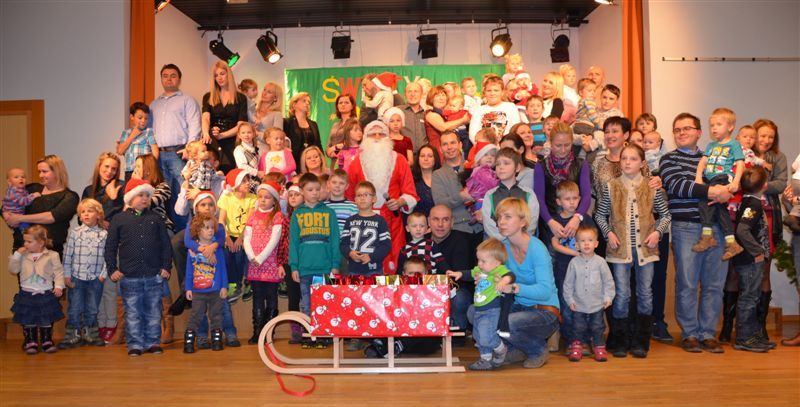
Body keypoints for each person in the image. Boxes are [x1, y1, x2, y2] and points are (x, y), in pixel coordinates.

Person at [660, 112, 733, 354]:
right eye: (677, 129)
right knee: (687, 283)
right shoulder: (669, 159)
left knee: (714, 284)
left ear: (699, 133)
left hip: (717, 228)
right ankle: (690, 333)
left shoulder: (714, 156)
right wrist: (714, 191)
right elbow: (679, 186)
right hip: (686, 228)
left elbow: (730, 181)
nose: (681, 132)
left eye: (687, 128)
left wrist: (727, 190)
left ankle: (708, 333)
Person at [595, 144, 671, 358]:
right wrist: (608, 233)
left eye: (633, 159)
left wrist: (657, 233)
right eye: (624, 158)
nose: (628, 162)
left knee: (645, 294)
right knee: (622, 294)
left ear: (642, 163)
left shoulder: (652, 186)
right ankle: (620, 339)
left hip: (646, 249)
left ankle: (641, 341)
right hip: (620, 250)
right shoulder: (611, 186)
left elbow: (666, 215)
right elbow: (600, 215)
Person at [474, 197, 560, 369]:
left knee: (507, 322)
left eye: (507, 217)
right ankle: (517, 349)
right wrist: (484, 278)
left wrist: (514, 288)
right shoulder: (503, 247)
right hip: (518, 307)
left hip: (544, 310)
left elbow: (544, 292)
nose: (501, 222)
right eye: (499, 217)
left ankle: (538, 350)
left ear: (523, 222)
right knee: (477, 313)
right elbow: (495, 274)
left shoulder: (538, 249)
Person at [105, 178, 172, 356]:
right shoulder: (119, 219)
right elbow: (110, 246)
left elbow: (166, 245)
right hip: (129, 277)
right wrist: (112, 269)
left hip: (154, 275)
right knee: (133, 313)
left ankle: (153, 342)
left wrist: (166, 266)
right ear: (130, 197)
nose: (144, 198)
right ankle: (135, 344)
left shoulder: (156, 219)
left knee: (153, 312)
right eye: (140, 195)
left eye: (147, 195)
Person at [346, 120, 419, 274]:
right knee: (365, 268)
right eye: (373, 134)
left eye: (382, 134)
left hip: (392, 221)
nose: (377, 137)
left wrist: (400, 201)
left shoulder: (400, 159)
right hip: (364, 223)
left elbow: (411, 192)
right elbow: (350, 195)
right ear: (365, 138)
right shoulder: (355, 163)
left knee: (395, 260)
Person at [289, 173, 340, 348]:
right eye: (310, 190)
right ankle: (309, 335)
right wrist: (294, 266)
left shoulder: (329, 212)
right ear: (302, 191)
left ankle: (323, 335)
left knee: (323, 303)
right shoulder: (297, 214)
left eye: (317, 189)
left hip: (324, 269)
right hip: (305, 269)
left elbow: (335, 240)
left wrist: (335, 264)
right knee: (306, 304)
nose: (315, 193)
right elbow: (293, 242)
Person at [150, 63, 201, 232]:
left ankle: (185, 236)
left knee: (183, 195)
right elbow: (149, 131)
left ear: (179, 79)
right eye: (165, 76)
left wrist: (190, 149)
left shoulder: (187, 100)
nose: (169, 79)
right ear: (161, 79)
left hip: (179, 154)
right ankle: (169, 236)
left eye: (173, 75)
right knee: (163, 197)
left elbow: (195, 125)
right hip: (158, 156)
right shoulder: (154, 104)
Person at [751, 118, 788, 348]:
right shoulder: (744, 154)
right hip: (746, 217)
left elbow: (781, 184)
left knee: (764, 271)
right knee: (741, 272)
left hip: (769, 216)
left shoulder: (778, 157)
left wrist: (756, 184)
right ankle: (737, 326)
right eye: (762, 135)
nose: (766, 140)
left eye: (771, 137)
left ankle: (760, 325)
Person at [692, 108, 745, 259]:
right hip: (710, 180)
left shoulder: (734, 144)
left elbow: (740, 164)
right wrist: (698, 178)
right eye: (712, 125)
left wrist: (736, 181)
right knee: (719, 209)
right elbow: (702, 163)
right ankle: (731, 242)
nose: (714, 128)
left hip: (723, 178)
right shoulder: (711, 146)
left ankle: (707, 237)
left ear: (730, 127)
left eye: (718, 124)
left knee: (704, 202)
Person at [730, 167, 772, 352]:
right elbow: (742, 230)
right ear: (764, 185)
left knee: (753, 297)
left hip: (749, 259)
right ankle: (744, 338)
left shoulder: (748, 201)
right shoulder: (753, 205)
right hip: (750, 260)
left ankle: (753, 336)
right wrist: (757, 252)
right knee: (749, 298)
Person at [7, 155, 79, 257]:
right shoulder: (31, 188)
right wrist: (10, 218)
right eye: (39, 171)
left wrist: (20, 218)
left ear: (57, 172)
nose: (40, 175)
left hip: (49, 253)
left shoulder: (70, 197)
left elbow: (51, 216)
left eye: (44, 171)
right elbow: (8, 205)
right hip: (22, 249)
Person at [59, 198, 107, 349]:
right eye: (83, 212)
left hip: (95, 278)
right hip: (76, 277)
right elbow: (68, 255)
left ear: (98, 215)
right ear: (79, 216)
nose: (86, 214)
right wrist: (66, 275)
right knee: (75, 307)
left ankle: (90, 334)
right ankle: (72, 335)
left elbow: (108, 257)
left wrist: (103, 274)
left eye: (90, 211)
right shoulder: (75, 233)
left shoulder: (104, 234)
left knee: (92, 307)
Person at [534, 123, 592, 248]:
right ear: (550, 143)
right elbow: (539, 198)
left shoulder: (581, 164)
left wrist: (577, 218)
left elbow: (586, 196)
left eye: (567, 145)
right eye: (558, 145)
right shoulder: (541, 166)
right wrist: (550, 221)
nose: (563, 150)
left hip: (575, 222)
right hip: (549, 223)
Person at [9, 225, 65, 354]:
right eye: (25, 241)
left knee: (46, 318)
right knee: (29, 318)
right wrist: (17, 255)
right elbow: (13, 270)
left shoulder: (52, 255)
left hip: (45, 293)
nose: (25, 244)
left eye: (29, 241)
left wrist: (58, 286)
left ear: (41, 242)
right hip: (27, 294)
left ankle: (46, 340)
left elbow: (58, 272)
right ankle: (30, 340)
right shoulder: (23, 255)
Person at [562, 225, 614, 362]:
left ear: (596, 244)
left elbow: (608, 282)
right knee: (578, 327)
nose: (586, 244)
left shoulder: (601, 262)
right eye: (582, 241)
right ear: (577, 245)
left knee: (597, 327)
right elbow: (568, 284)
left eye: (590, 240)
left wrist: (608, 297)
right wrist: (570, 300)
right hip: (578, 304)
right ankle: (577, 347)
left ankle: (599, 347)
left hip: (597, 304)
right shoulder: (573, 263)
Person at [242, 182, 286, 345]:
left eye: (267, 197)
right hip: (254, 263)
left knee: (272, 298)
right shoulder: (252, 215)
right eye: (260, 197)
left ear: (274, 200)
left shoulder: (277, 216)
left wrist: (260, 258)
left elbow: (274, 240)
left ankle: (269, 333)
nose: (262, 200)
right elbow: (247, 237)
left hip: (270, 263)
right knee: (257, 298)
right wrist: (251, 256)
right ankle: (257, 332)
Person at [463, 238, 516, 371]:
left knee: (486, 336)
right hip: (479, 309)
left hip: (491, 310)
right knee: (478, 335)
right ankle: (485, 359)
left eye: (483, 261)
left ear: (497, 263)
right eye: (478, 260)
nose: (479, 264)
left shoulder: (498, 271)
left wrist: (503, 281)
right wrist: (459, 273)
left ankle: (501, 349)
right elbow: (470, 273)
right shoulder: (481, 270)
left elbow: (511, 275)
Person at [183, 213, 228, 353]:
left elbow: (222, 269)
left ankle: (216, 340)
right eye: (206, 228)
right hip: (198, 291)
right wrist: (188, 288)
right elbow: (189, 271)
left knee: (216, 315)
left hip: (215, 290)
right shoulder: (193, 251)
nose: (210, 230)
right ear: (198, 230)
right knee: (195, 316)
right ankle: (189, 342)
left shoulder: (217, 250)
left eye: (212, 227)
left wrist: (224, 286)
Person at [429, 205, 475, 336]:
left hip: (457, 288)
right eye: (435, 219)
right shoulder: (420, 240)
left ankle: (458, 334)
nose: (440, 224)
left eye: (445, 219)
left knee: (459, 297)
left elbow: (459, 278)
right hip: (427, 289)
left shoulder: (462, 240)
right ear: (428, 221)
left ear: (452, 222)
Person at [432, 131, 483, 248]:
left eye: (453, 143)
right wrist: (461, 197)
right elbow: (440, 203)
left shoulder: (474, 166)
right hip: (456, 230)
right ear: (440, 149)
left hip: (481, 227)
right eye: (445, 144)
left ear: (460, 145)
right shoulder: (437, 175)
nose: (449, 147)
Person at [480, 147, 539, 240]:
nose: (501, 167)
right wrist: (504, 241)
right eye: (498, 164)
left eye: (506, 163)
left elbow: (531, 222)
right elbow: (489, 225)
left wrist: (518, 239)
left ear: (517, 167)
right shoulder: (489, 195)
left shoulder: (528, 194)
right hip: (497, 245)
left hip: (522, 244)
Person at [202, 61, 249, 173]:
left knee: (230, 172)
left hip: (232, 140)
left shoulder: (240, 98)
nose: (219, 78)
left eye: (222, 74)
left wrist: (222, 135)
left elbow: (241, 125)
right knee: (210, 173)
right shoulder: (208, 97)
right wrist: (206, 133)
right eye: (216, 75)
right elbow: (205, 118)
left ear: (229, 74)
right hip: (213, 140)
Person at [218, 169, 256, 303]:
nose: (248, 183)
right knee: (226, 254)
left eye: (248, 180)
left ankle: (240, 282)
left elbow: (250, 221)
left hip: (246, 234)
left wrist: (241, 237)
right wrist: (226, 237)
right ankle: (232, 283)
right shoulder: (226, 197)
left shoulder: (253, 198)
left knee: (240, 254)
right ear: (236, 183)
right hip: (229, 234)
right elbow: (221, 220)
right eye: (243, 181)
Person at [340, 181, 392, 276]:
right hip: (353, 270)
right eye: (359, 195)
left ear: (374, 199)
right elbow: (343, 244)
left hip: (375, 269)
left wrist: (371, 257)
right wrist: (350, 253)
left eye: (366, 195)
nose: (362, 198)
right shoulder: (349, 221)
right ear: (355, 199)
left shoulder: (380, 221)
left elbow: (386, 245)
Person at [469, 75, 520, 144]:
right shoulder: (479, 110)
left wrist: (503, 145)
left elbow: (514, 129)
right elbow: (473, 134)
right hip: (484, 148)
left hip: (506, 146)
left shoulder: (511, 107)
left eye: (496, 90)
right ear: (484, 92)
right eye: (489, 90)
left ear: (502, 92)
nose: (492, 93)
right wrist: (485, 146)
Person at [117, 102, 159, 180]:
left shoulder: (149, 132)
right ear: (132, 117)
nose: (143, 121)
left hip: (144, 170)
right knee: (130, 187)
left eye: (146, 118)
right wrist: (132, 136)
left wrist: (150, 166)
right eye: (140, 118)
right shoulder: (126, 133)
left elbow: (155, 152)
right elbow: (120, 151)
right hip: (129, 170)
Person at [425, 85, 471, 153]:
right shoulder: (431, 114)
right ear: (431, 98)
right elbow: (443, 127)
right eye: (437, 95)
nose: (441, 98)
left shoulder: (450, 112)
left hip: (452, 149)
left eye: (443, 95)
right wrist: (463, 120)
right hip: (438, 150)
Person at [284, 92, 321, 166]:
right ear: (294, 105)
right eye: (304, 101)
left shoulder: (314, 124)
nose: (307, 103)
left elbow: (318, 145)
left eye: (309, 102)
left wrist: (322, 163)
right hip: (294, 162)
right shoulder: (286, 122)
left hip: (312, 163)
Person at [3, 167, 40, 232]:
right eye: (16, 177)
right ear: (9, 182)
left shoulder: (21, 190)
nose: (21, 178)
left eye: (23, 177)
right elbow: (23, 202)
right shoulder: (13, 192)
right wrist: (33, 196)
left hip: (17, 215)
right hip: (13, 215)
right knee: (27, 229)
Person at [411, 144, 441, 217]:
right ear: (418, 159)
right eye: (422, 156)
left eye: (430, 156)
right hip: (418, 222)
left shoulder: (442, 179)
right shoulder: (411, 181)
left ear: (435, 159)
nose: (426, 159)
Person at [398, 82, 428, 153]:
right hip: (404, 155)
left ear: (421, 94)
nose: (412, 94)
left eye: (416, 91)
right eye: (409, 91)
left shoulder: (426, 113)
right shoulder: (398, 111)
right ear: (405, 95)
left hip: (423, 156)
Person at [326, 94, 358, 159]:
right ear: (337, 106)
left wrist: (335, 148)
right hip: (334, 162)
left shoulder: (356, 123)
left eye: (346, 102)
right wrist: (330, 152)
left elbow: (355, 144)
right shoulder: (335, 125)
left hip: (349, 161)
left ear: (352, 106)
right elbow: (328, 146)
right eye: (340, 103)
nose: (343, 104)